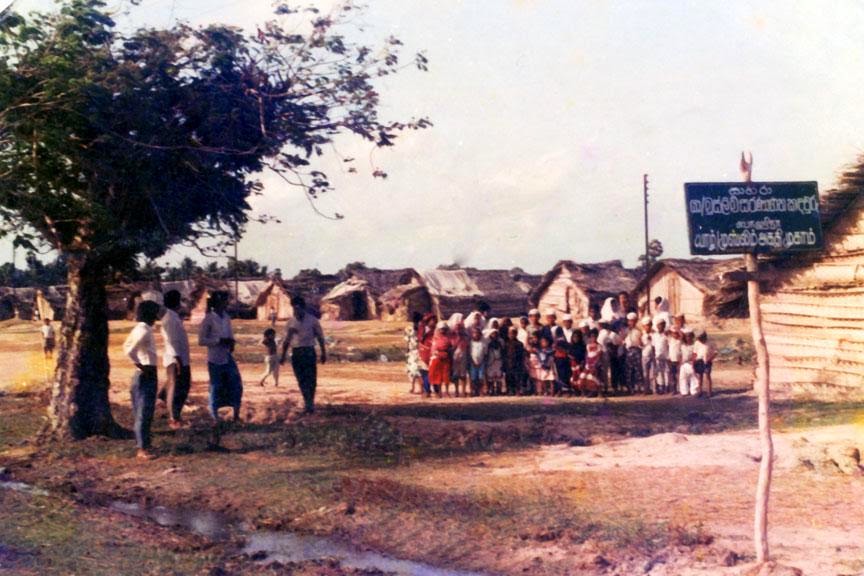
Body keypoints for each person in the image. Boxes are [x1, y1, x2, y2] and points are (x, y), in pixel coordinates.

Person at [123, 300, 161, 460]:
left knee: (146, 410)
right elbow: (128, 349)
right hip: (146, 372)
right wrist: (139, 365)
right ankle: (142, 448)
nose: (157, 317)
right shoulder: (143, 330)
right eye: (155, 313)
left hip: (147, 371)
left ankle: (145, 443)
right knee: (143, 412)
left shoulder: (143, 328)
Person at [199, 291, 243, 425]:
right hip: (214, 358)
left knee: (236, 385)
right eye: (223, 301)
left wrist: (231, 342)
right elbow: (201, 340)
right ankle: (215, 417)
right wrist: (218, 341)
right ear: (217, 302)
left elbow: (230, 334)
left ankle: (236, 415)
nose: (226, 303)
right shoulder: (208, 319)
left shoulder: (226, 317)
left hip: (227, 356)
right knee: (216, 387)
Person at [280, 295, 326, 414]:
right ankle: (307, 402)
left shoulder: (312, 320)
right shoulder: (290, 323)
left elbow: (320, 337)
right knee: (301, 379)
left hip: (309, 351)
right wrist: (283, 356)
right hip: (296, 352)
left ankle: (310, 403)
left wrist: (323, 353)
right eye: (294, 308)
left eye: (298, 308)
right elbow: (286, 341)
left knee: (311, 379)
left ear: (303, 308)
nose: (296, 311)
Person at [159, 289, 191, 430]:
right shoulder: (170, 318)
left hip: (179, 356)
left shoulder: (173, 316)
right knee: (176, 385)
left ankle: (163, 401)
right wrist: (178, 359)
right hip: (175, 358)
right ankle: (174, 418)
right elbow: (172, 341)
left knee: (179, 384)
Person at [428, 321, 452, 398]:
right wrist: (438, 354)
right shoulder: (435, 338)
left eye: (444, 329)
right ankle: (439, 392)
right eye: (441, 329)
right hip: (438, 358)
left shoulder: (448, 338)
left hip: (446, 358)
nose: (442, 331)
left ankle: (447, 392)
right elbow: (433, 350)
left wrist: (447, 353)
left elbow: (450, 347)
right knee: (438, 376)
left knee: (446, 375)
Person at [448, 313, 470, 398]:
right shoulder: (451, 331)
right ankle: (457, 391)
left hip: (463, 351)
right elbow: (450, 341)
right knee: (456, 373)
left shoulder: (464, 330)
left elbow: (467, 339)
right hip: (454, 352)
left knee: (463, 373)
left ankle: (463, 391)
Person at [622, 313, 643, 394]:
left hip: (636, 350)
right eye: (630, 321)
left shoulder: (639, 331)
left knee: (637, 369)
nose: (631, 323)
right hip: (628, 351)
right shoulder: (625, 330)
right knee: (629, 370)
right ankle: (630, 388)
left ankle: (639, 388)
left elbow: (641, 341)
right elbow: (622, 340)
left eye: (633, 321)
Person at [416, 313, 436, 397]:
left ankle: (436, 390)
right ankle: (427, 390)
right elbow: (419, 339)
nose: (433, 322)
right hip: (424, 353)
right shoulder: (423, 330)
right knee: (425, 372)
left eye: (434, 320)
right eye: (432, 320)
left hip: (433, 353)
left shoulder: (437, 330)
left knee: (434, 372)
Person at [503, 326, 526, 396]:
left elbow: (522, 354)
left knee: (517, 377)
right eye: (510, 334)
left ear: (516, 334)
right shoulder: (506, 343)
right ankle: (510, 390)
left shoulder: (520, 344)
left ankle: (517, 390)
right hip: (508, 362)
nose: (511, 335)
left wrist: (522, 363)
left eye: (513, 334)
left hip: (517, 363)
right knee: (509, 377)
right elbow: (504, 353)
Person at [405, 312, 423, 394]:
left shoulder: (408, 329)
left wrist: (407, 351)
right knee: (419, 370)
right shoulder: (422, 329)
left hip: (412, 352)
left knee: (412, 370)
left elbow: (407, 342)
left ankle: (413, 388)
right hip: (419, 351)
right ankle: (420, 388)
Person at [694, 330, 717, 398]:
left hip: (707, 361)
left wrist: (710, 358)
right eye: (698, 338)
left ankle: (709, 392)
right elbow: (695, 353)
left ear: (705, 336)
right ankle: (700, 391)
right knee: (700, 376)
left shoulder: (711, 342)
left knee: (707, 376)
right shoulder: (697, 343)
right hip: (699, 361)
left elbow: (715, 352)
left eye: (701, 338)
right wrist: (694, 361)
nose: (700, 340)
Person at [678, 327, 699, 396]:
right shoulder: (682, 345)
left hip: (691, 363)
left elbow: (695, 354)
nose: (688, 338)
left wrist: (693, 361)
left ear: (692, 336)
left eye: (690, 336)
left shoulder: (694, 345)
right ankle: (684, 391)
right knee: (683, 378)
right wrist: (680, 362)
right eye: (686, 336)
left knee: (693, 377)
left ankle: (694, 390)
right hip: (684, 363)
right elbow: (680, 354)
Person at [467, 327, 487, 396]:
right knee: (473, 377)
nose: (476, 335)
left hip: (481, 362)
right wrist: (472, 361)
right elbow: (469, 353)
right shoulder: (470, 343)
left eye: (478, 333)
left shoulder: (483, 343)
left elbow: (485, 354)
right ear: (472, 334)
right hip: (473, 363)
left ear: (480, 334)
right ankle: (474, 391)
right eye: (474, 333)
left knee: (481, 377)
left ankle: (480, 391)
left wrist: (482, 361)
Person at [485, 328, 504, 395]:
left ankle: (498, 390)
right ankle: (491, 390)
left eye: (495, 334)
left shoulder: (500, 343)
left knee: (498, 376)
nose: (494, 335)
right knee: (491, 377)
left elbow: (502, 352)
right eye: (493, 334)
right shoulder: (489, 344)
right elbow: (486, 353)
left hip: (498, 362)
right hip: (491, 362)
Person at [653, 318, 669, 394]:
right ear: (657, 326)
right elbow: (653, 346)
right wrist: (654, 356)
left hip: (666, 356)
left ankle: (667, 387)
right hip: (657, 356)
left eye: (662, 325)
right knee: (659, 372)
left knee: (666, 372)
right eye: (659, 325)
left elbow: (669, 345)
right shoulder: (654, 335)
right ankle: (661, 386)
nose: (660, 326)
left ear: (664, 326)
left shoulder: (667, 335)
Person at [640, 316, 655, 394]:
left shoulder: (654, 333)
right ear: (643, 326)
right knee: (645, 373)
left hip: (653, 355)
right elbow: (640, 345)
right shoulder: (642, 334)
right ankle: (646, 389)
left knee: (652, 373)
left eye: (649, 325)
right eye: (646, 325)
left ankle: (654, 389)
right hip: (645, 355)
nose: (648, 327)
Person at [667, 321, 682, 396]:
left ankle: (680, 389)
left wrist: (679, 331)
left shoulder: (680, 341)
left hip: (678, 360)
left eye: (676, 333)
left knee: (678, 375)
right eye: (673, 333)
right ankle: (673, 389)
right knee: (672, 375)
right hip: (671, 360)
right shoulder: (670, 340)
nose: (675, 335)